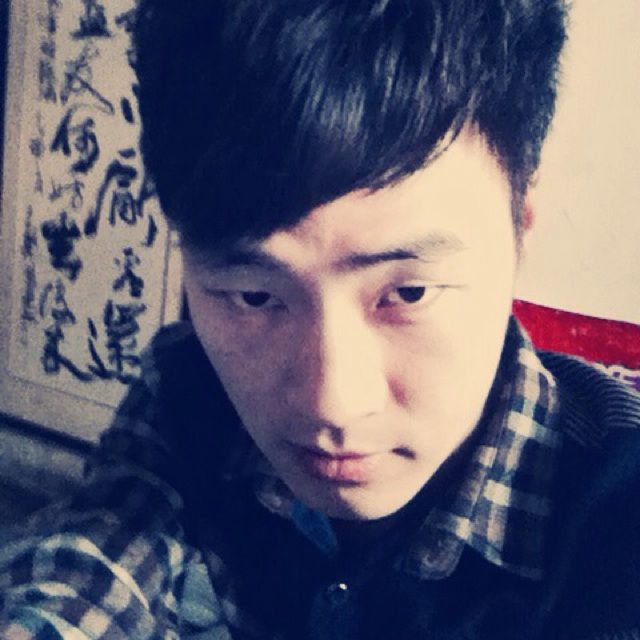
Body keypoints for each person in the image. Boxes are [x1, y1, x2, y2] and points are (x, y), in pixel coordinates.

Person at [2, 1, 640, 638]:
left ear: (521, 226)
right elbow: (94, 561)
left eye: (410, 292)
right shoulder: (187, 392)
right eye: (253, 296)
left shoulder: (617, 512)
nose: (330, 403)